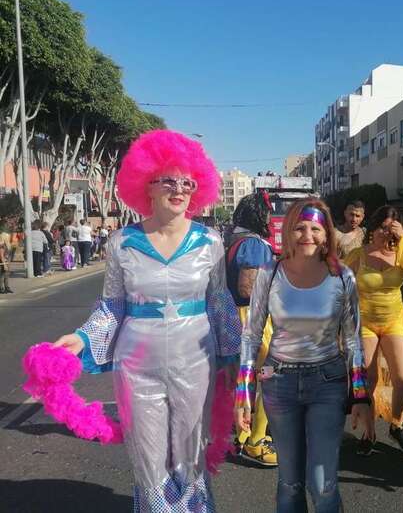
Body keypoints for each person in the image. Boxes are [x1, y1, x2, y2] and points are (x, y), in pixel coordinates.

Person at [52, 130, 242, 511]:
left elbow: (220, 303)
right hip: (137, 368)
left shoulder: (210, 242)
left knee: (190, 457)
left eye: (187, 182)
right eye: (168, 180)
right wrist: (82, 338)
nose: (179, 189)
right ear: (147, 185)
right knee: (149, 462)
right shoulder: (121, 242)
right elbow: (112, 306)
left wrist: (236, 361)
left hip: (196, 364)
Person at [236, 198, 372, 513]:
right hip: (278, 383)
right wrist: (244, 392)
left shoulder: (342, 276)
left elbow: (353, 340)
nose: (307, 235)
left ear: (327, 234)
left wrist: (361, 396)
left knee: (323, 484)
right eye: (299, 228)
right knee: (289, 482)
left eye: (315, 228)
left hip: (328, 384)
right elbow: (252, 335)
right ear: (288, 231)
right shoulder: (270, 273)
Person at [344, 205, 403, 456]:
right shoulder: (359, 254)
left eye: (391, 228)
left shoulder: (402, 250)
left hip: (394, 321)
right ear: (372, 228)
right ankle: (369, 433)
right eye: (382, 227)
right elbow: (338, 282)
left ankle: (397, 425)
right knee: (369, 380)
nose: (386, 233)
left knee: (402, 379)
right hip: (366, 323)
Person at [225, 191, 278, 466]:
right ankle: (256, 441)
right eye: (267, 213)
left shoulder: (235, 240)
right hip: (252, 318)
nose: (270, 218)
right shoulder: (254, 245)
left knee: (245, 381)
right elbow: (247, 287)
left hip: (237, 316)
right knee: (270, 378)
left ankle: (243, 437)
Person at [0, 222, 11, 293]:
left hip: (6, 260)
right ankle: (1, 288)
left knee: (6, 274)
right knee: (2, 275)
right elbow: (1, 255)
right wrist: (4, 264)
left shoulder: (7, 244)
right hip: (2, 261)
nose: (9, 237)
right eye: (7, 236)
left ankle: (7, 287)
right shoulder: (2, 245)